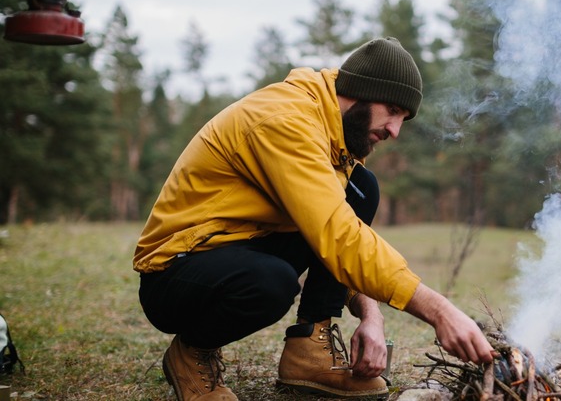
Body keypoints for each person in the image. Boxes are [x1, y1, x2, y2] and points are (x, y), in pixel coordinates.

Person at [133, 37, 495, 401]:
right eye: (393, 110)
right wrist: (439, 310)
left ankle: (309, 351)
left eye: (403, 119)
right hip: (175, 273)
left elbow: (338, 233)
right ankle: (191, 352)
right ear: (362, 92)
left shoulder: (334, 136)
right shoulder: (286, 122)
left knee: (361, 188)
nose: (394, 131)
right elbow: (337, 235)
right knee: (270, 282)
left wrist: (372, 316)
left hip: (240, 245)